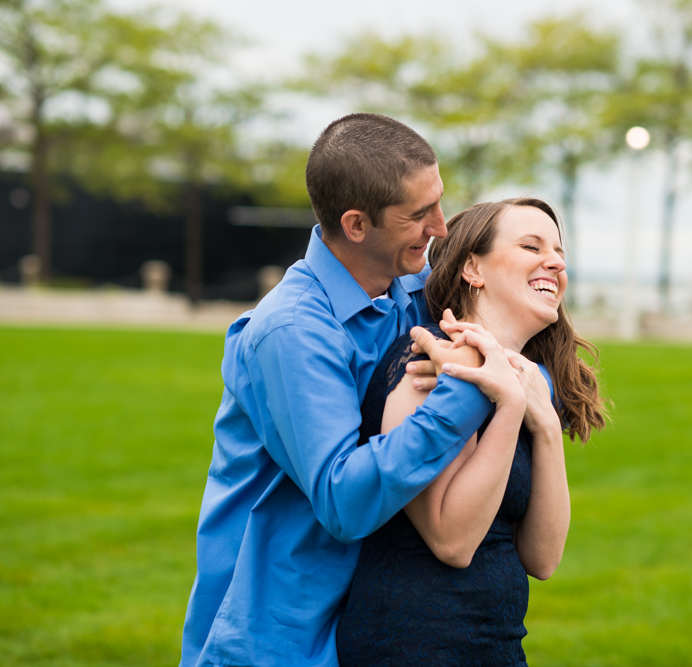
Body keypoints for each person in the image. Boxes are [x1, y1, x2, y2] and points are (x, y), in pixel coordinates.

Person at [179, 113, 500, 667]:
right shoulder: (292, 331)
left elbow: (509, 318)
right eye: (419, 214)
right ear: (355, 224)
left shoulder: (413, 293)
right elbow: (343, 500)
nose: (441, 228)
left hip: (366, 631)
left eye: (439, 203)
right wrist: (468, 395)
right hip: (273, 642)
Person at [336, 198, 608, 665]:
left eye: (559, 252)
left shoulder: (523, 380)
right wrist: (509, 407)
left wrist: (543, 424)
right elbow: (453, 541)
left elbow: (543, 559)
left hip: (496, 646)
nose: (556, 262)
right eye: (531, 245)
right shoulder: (429, 361)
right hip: (411, 646)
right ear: (472, 269)